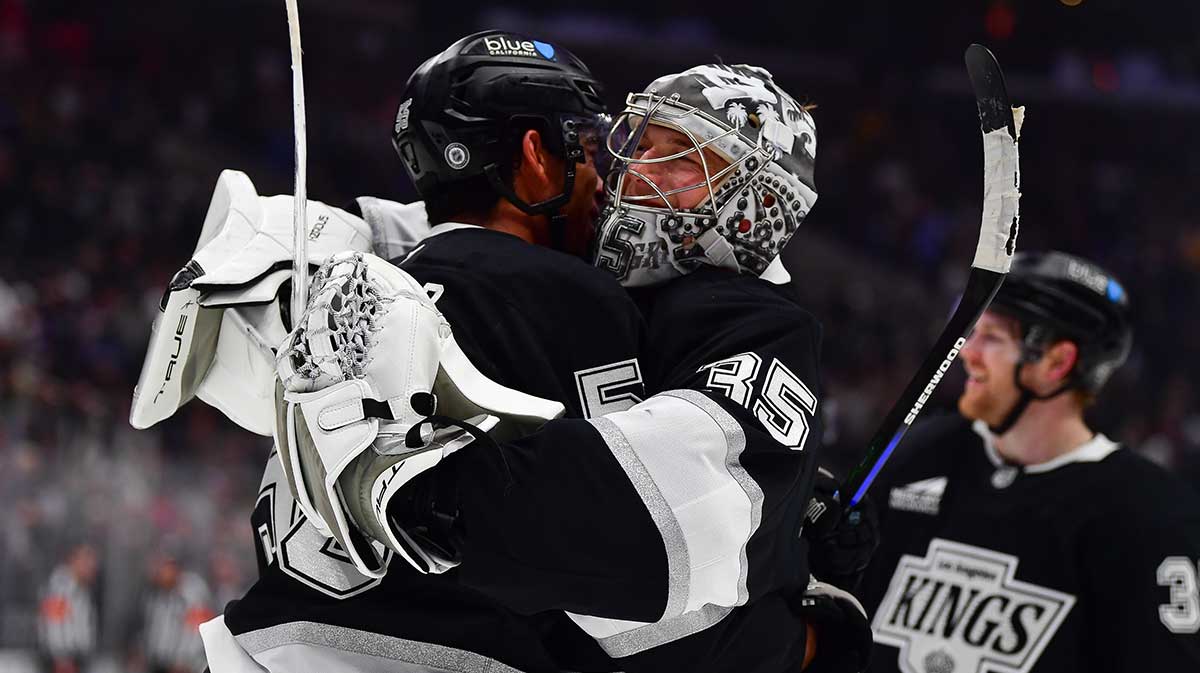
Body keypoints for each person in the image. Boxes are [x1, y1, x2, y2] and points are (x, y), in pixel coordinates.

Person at [855, 251, 1200, 672]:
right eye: (971, 331)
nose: (968, 352)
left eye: (992, 338)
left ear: (1056, 363)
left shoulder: (1151, 515)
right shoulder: (920, 453)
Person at [135, 552, 213, 673]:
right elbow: (150, 629)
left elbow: (196, 631)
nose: (160, 572)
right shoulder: (154, 594)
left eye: (164, 567)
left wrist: (184, 660)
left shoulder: (192, 594)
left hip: (182, 665)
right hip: (158, 661)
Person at [38, 543, 98, 673]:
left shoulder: (83, 589)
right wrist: (62, 659)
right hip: (64, 662)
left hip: (79, 659)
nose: (91, 566)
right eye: (86, 561)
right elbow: (53, 625)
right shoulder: (59, 588)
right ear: (73, 560)